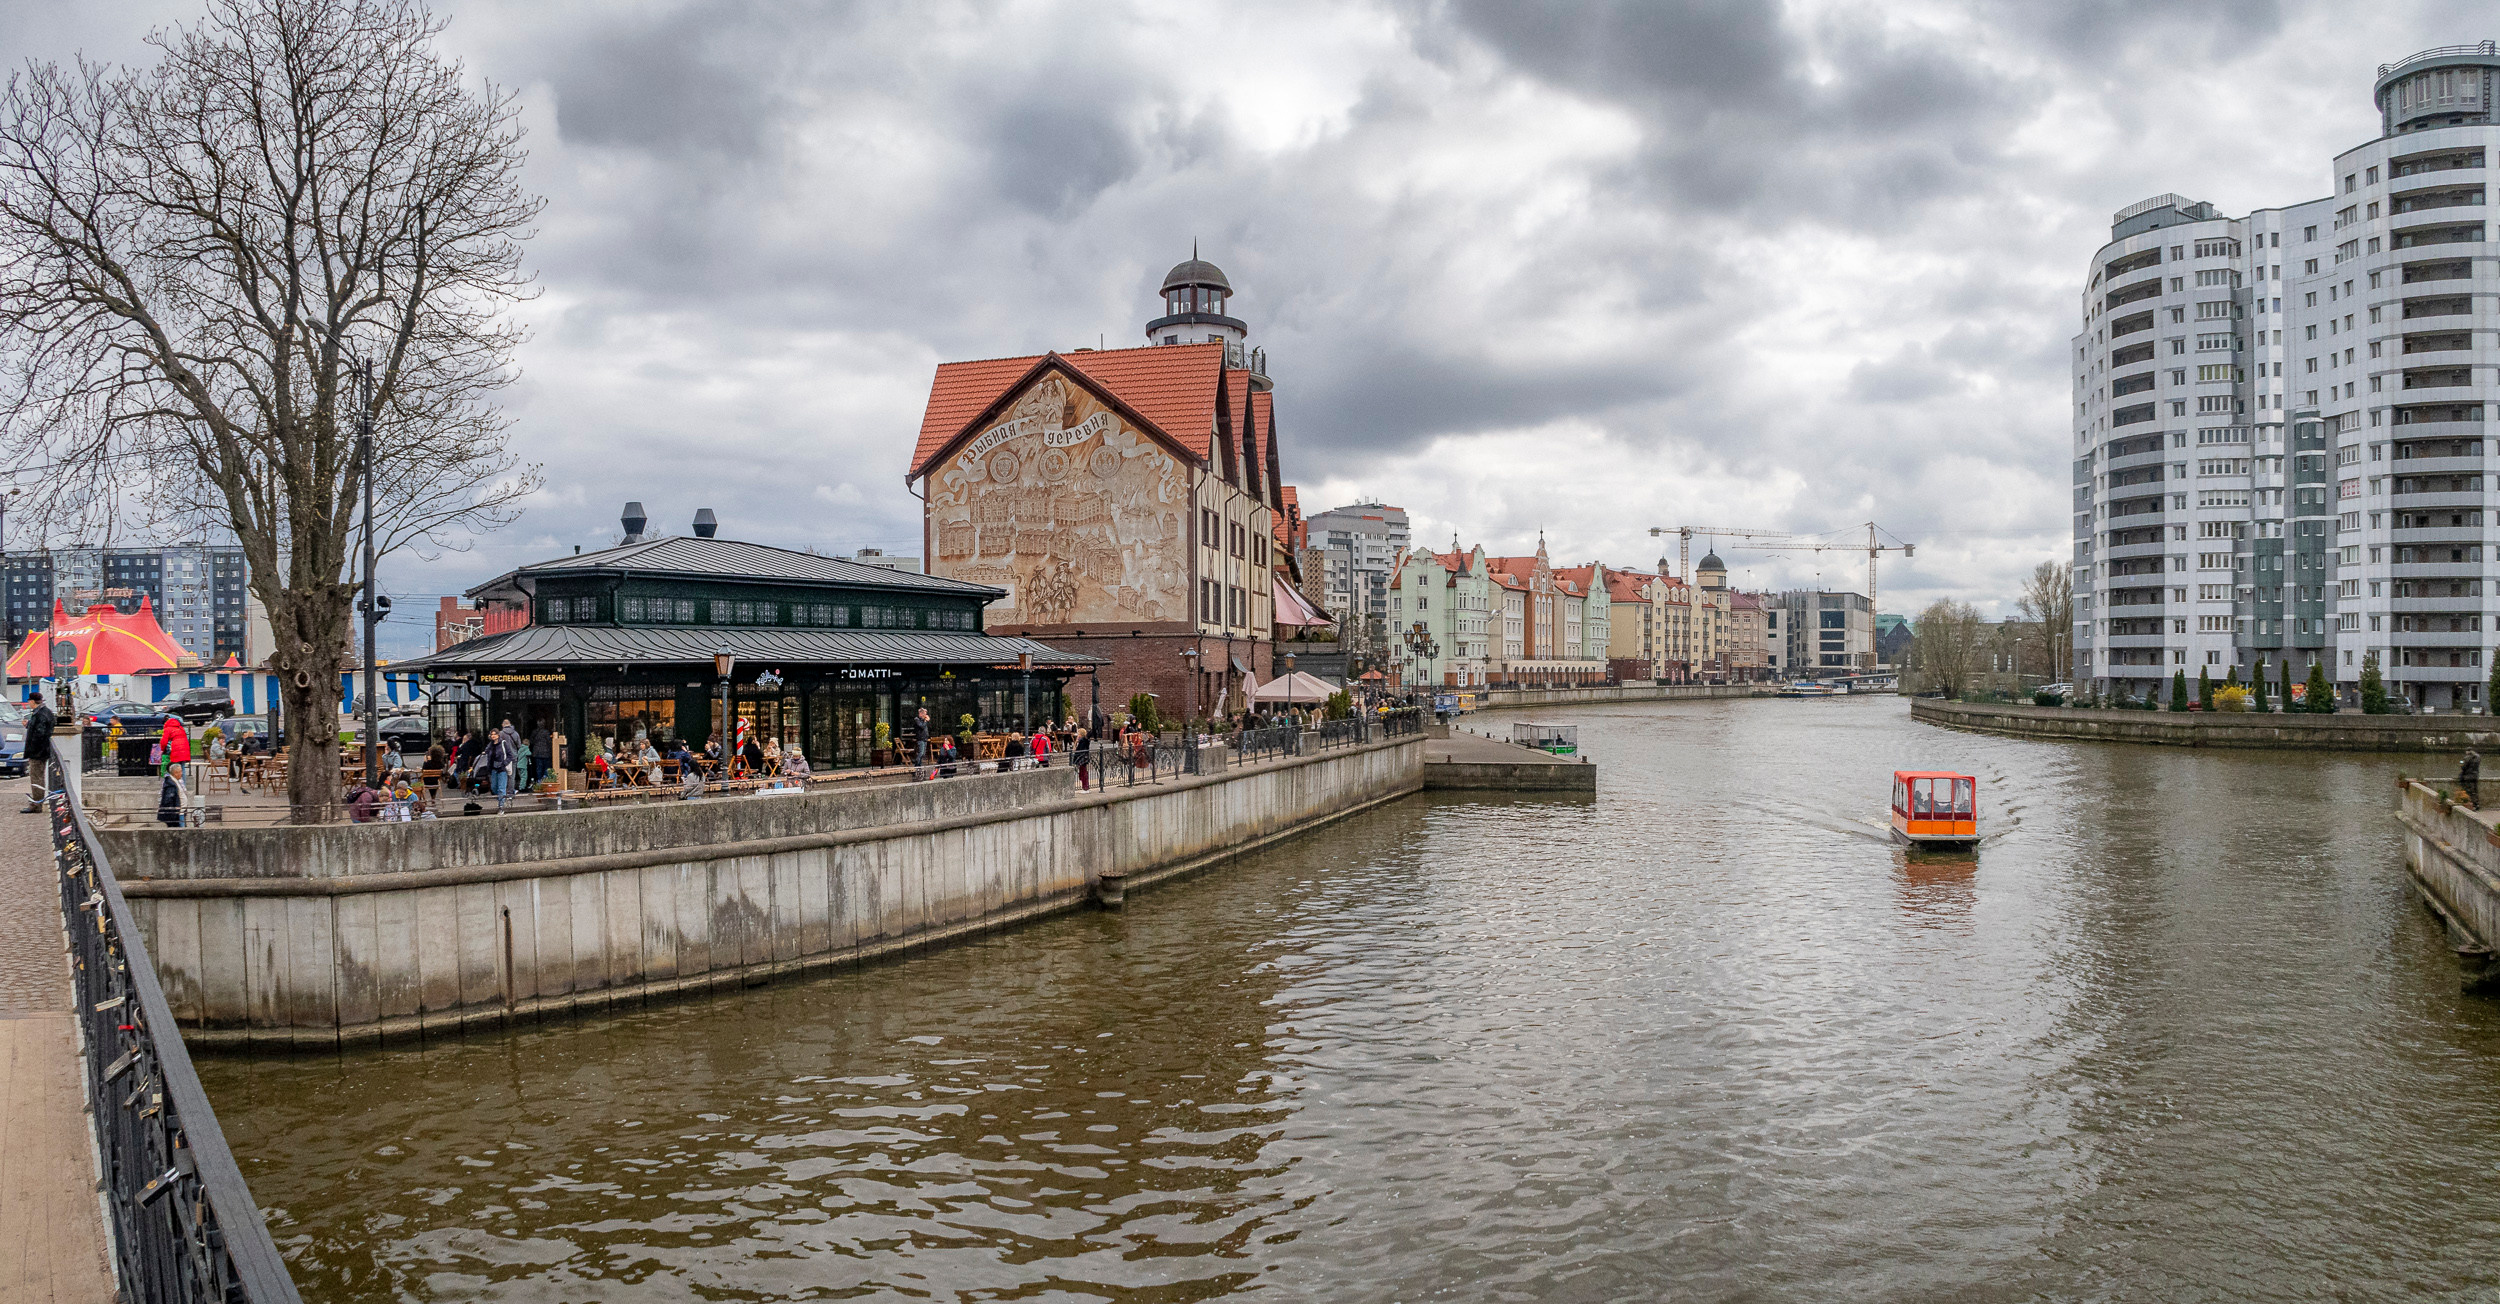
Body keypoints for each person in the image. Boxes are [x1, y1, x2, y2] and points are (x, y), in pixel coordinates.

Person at [20, 695, 53, 814]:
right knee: (38, 777)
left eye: (29, 701)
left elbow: (40, 733)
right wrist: (29, 725)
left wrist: (33, 750)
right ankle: (37, 802)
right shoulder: (45, 712)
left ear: (33, 701)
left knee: (36, 778)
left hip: (38, 752)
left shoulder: (40, 714)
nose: (28, 703)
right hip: (41, 751)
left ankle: (37, 804)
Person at [911, 707, 933, 780]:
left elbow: (928, 727)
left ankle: (919, 765)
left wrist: (927, 721)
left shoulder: (924, 721)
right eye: (924, 714)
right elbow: (922, 726)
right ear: (920, 713)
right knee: (921, 752)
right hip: (920, 739)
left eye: (925, 714)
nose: (925, 715)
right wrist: (925, 721)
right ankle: (916, 764)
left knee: (923, 753)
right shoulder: (917, 719)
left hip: (925, 738)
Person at [530, 721, 552, 787]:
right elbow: (549, 742)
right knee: (546, 768)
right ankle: (545, 781)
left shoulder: (534, 732)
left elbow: (531, 741)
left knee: (538, 768)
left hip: (537, 753)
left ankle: (539, 781)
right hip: (546, 753)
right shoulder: (546, 732)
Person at [1074, 726, 1091, 792]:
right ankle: (1085, 787)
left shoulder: (1084, 740)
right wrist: (1076, 742)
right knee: (1081, 772)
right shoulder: (1080, 741)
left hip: (1083, 757)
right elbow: (1075, 749)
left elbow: (1088, 737)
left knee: (1083, 772)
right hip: (1080, 757)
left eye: (1078, 733)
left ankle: (1085, 788)